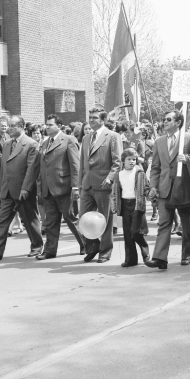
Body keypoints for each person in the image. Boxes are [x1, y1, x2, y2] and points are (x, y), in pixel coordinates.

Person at [146, 109, 190, 270]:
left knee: (186, 224)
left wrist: (187, 159)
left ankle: (186, 254)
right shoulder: (159, 142)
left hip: (184, 187)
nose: (164, 122)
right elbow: (156, 168)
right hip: (165, 188)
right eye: (164, 119)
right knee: (164, 223)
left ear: (178, 122)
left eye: (168, 119)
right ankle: (160, 258)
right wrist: (153, 186)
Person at [0, 116, 42, 261]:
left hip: (23, 190)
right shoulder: (7, 143)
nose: (9, 128)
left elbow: (31, 169)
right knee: (2, 219)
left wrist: (26, 189)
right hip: (7, 190)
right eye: (8, 125)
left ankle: (37, 246)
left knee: (29, 219)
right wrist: (2, 186)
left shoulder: (31, 144)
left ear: (21, 126)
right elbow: (4, 167)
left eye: (12, 126)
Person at [35, 114, 85, 260]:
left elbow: (75, 165)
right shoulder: (45, 143)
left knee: (71, 218)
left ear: (59, 126)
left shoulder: (69, 140)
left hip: (64, 187)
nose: (47, 127)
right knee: (51, 221)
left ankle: (86, 244)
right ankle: (49, 250)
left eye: (50, 125)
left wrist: (76, 187)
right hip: (48, 189)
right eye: (46, 124)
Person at [78, 108, 122, 263]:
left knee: (105, 220)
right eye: (90, 117)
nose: (91, 120)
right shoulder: (86, 138)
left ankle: (105, 251)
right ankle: (92, 247)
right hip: (87, 185)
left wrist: (110, 178)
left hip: (104, 184)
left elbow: (118, 162)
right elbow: (83, 164)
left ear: (103, 120)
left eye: (95, 117)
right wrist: (79, 184)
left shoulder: (112, 136)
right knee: (84, 219)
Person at [112, 148, 150, 267]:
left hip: (137, 204)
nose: (132, 161)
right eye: (129, 159)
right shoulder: (119, 174)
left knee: (135, 231)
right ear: (123, 161)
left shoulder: (140, 173)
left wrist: (151, 195)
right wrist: (114, 204)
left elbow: (146, 187)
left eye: (134, 159)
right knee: (127, 234)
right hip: (124, 204)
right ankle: (131, 259)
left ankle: (146, 254)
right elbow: (115, 191)